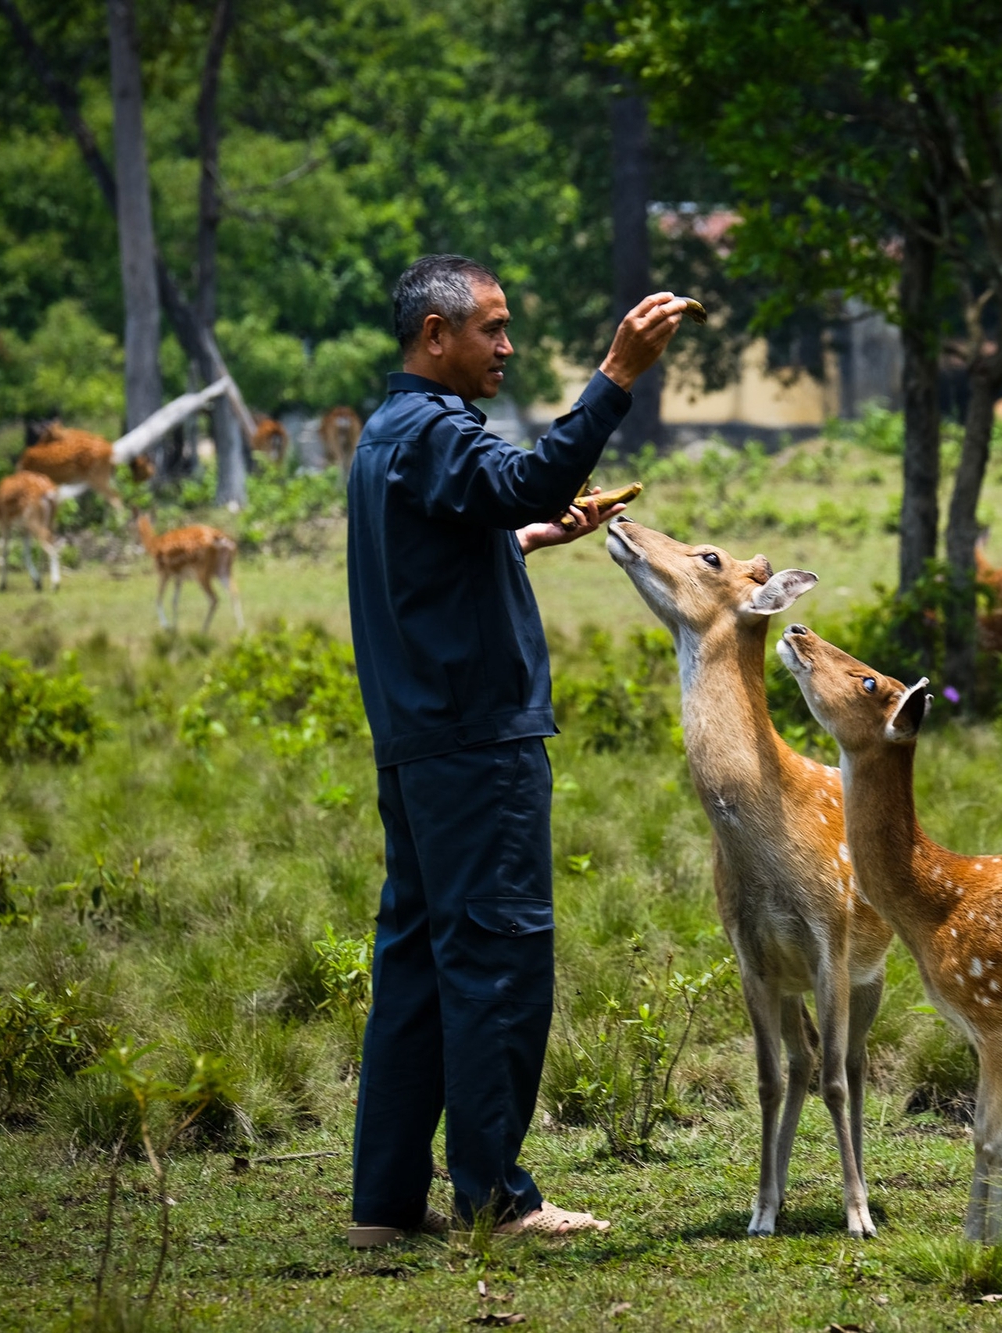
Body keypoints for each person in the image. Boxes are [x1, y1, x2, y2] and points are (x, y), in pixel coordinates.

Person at [344, 254, 689, 1245]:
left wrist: (525, 538)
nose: (504, 347)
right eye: (489, 329)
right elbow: (526, 473)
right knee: (495, 961)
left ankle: (383, 1209)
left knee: (415, 968)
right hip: (475, 746)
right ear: (433, 337)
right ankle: (497, 1200)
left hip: (416, 748)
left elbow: (457, 533)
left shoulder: (386, 435)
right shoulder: (438, 430)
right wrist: (616, 375)